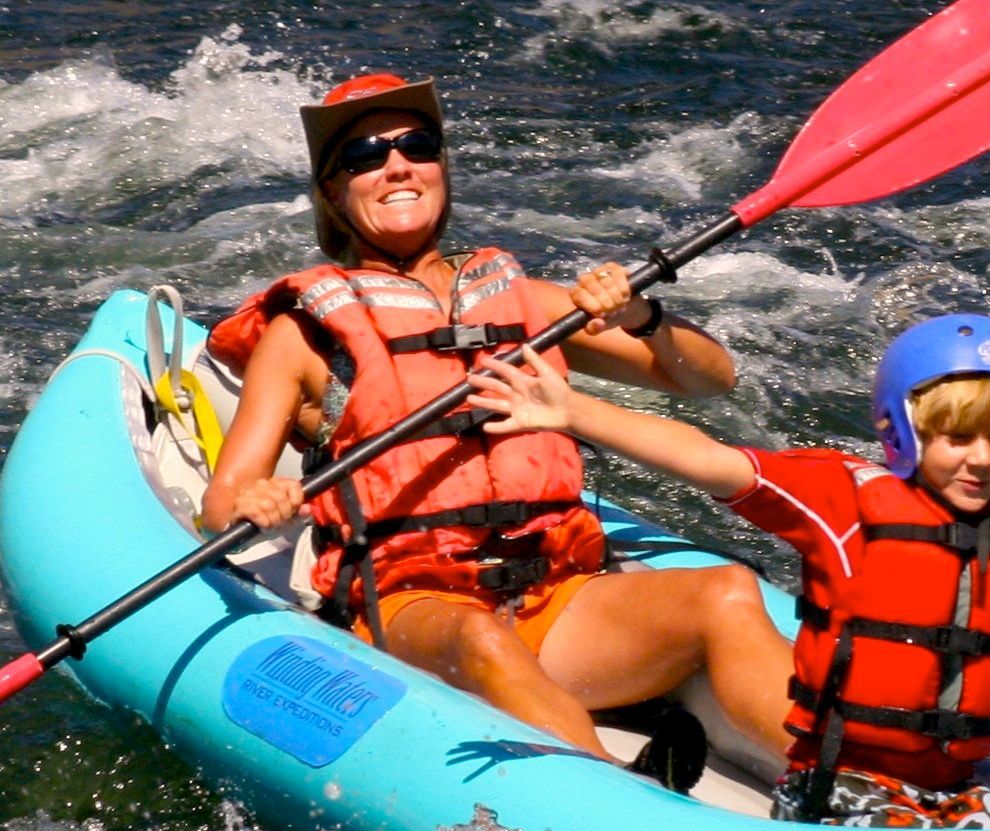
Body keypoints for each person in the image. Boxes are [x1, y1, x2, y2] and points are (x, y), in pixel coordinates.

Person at [465, 312, 990, 827]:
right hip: (847, 789)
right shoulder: (841, 500)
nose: (981, 458)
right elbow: (708, 459)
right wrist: (574, 411)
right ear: (905, 432)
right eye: (957, 437)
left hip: (967, 781)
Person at [199, 73, 795, 786]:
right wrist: (257, 501)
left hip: (554, 596)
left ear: (441, 169)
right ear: (334, 193)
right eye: (364, 157)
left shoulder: (528, 302)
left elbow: (707, 377)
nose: (396, 166)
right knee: (479, 635)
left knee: (724, 592)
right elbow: (221, 503)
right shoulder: (303, 335)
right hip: (413, 610)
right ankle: (625, 799)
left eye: (416, 147)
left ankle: (863, 790)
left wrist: (641, 314)